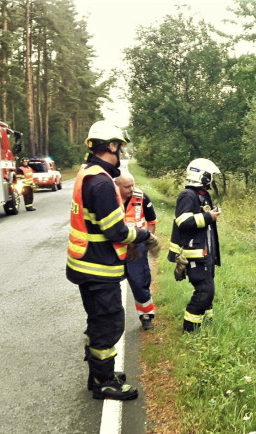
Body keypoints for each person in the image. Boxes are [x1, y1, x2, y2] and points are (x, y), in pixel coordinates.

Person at [66, 120, 157, 401]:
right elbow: (116, 230)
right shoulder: (102, 183)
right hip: (98, 267)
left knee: (98, 321)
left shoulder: (87, 174)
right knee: (110, 323)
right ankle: (105, 382)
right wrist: (144, 236)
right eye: (119, 147)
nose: (120, 154)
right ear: (112, 146)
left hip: (85, 263)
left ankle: (98, 375)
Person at [168, 158, 221, 333]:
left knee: (209, 290)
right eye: (210, 176)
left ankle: (207, 324)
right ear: (203, 176)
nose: (212, 179)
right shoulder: (187, 195)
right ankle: (190, 329)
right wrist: (208, 217)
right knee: (204, 291)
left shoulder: (202, 195)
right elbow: (182, 221)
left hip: (206, 254)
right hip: (195, 255)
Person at [115, 172, 158, 331]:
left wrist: (147, 244)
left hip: (137, 248)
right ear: (117, 186)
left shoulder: (142, 197)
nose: (132, 189)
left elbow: (151, 221)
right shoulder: (109, 198)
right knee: (109, 286)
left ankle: (146, 316)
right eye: (127, 186)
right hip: (114, 248)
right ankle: (105, 322)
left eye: (133, 185)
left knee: (140, 283)